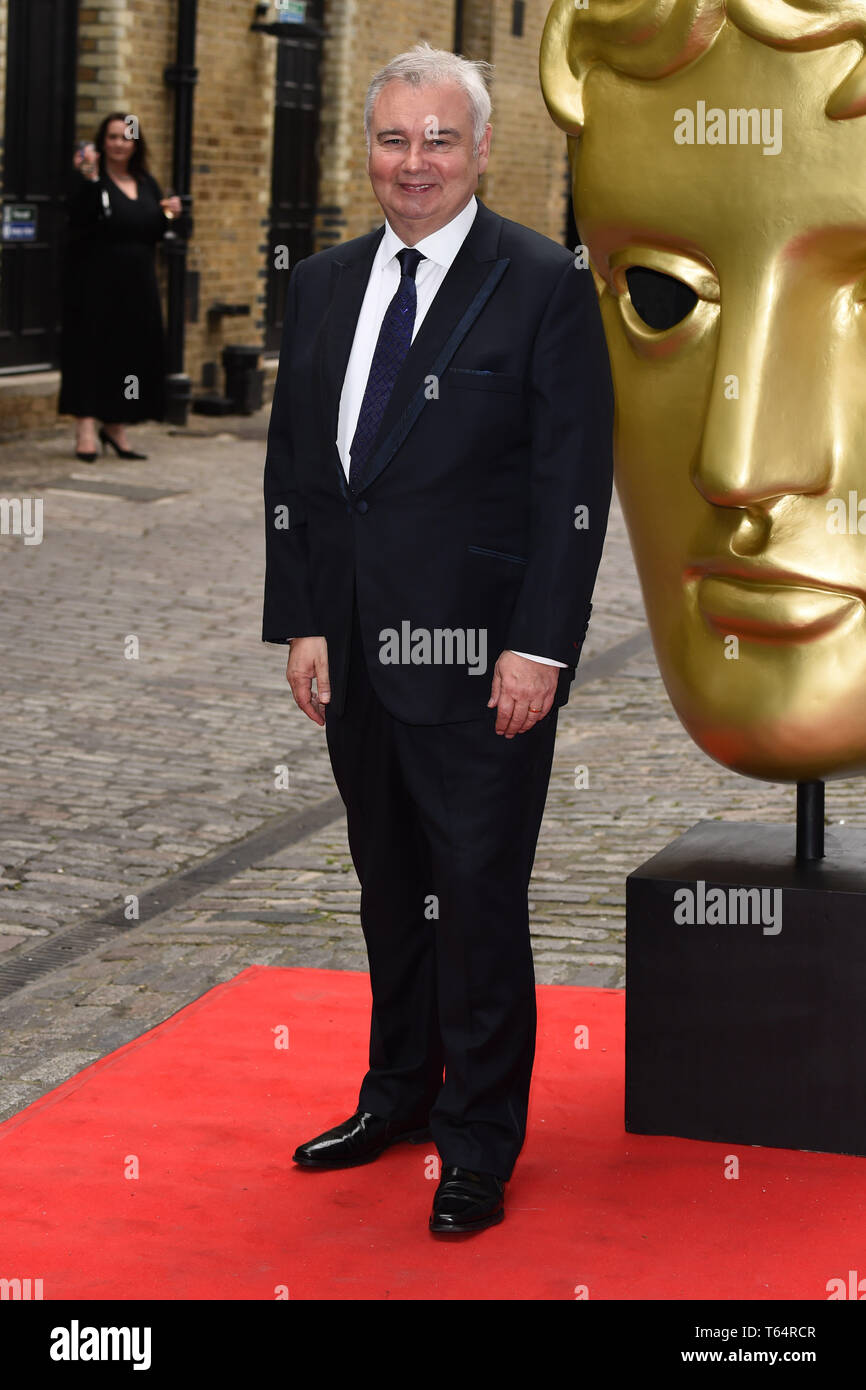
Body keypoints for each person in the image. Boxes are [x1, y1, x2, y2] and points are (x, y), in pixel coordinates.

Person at [262, 43, 614, 1236]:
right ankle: (397, 1095)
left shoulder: (540, 284)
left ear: (480, 150)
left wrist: (541, 647)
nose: (412, 164)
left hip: (480, 665)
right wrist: (303, 616)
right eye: (392, 140)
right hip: (355, 653)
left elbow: (572, 482)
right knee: (386, 891)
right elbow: (302, 474)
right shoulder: (319, 285)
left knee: (472, 898)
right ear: (368, 149)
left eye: (437, 140)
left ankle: (477, 1140)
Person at [58, 112, 181, 461]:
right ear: (101, 142)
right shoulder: (89, 180)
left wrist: (170, 213)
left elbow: (157, 231)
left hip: (137, 283)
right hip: (94, 281)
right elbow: (80, 218)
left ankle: (116, 424)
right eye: (111, 137)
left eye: (125, 137)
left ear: (136, 143)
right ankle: (84, 427)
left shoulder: (146, 182)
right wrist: (90, 179)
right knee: (90, 350)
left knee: (128, 353)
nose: (118, 144)